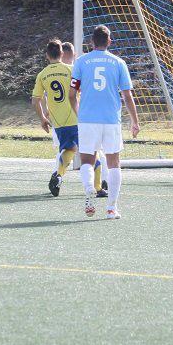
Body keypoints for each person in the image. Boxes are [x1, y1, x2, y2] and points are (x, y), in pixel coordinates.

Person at [69, 25, 140, 219]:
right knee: (114, 162)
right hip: (110, 120)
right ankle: (111, 209)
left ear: (91, 42)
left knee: (87, 161)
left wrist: (79, 113)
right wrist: (135, 121)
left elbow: (72, 94)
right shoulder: (118, 62)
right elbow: (127, 95)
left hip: (87, 120)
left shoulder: (81, 61)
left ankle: (89, 187)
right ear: (109, 41)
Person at [31, 39, 105, 198]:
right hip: (77, 118)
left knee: (69, 150)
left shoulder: (42, 75)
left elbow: (35, 100)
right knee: (92, 151)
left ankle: (58, 175)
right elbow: (85, 90)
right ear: (62, 53)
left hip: (59, 122)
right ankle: (98, 187)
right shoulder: (72, 70)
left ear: (47, 55)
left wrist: (43, 118)